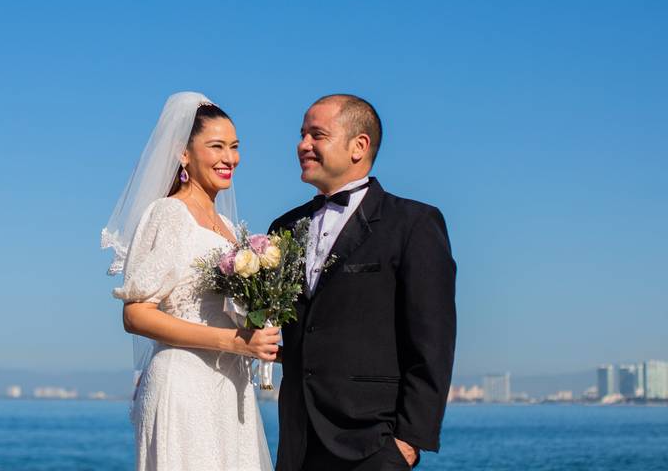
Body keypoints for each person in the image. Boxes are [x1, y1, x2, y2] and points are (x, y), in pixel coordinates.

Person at [269, 94, 457, 471]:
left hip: (374, 445)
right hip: (298, 443)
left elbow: (433, 342)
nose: (303, 145)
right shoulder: (282, 229)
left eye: (316, 135)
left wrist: (407, 443)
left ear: (359, 146)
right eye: (302, 134)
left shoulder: (414, 224)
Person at [103, 92, 278, 471]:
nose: (229, 158)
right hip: (183, 386)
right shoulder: (169, 214)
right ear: (183, 154)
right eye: (216, 146)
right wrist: (232, 341)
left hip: (232, 389)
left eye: (234, 147)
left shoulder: (230, 229)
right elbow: (135, 315)